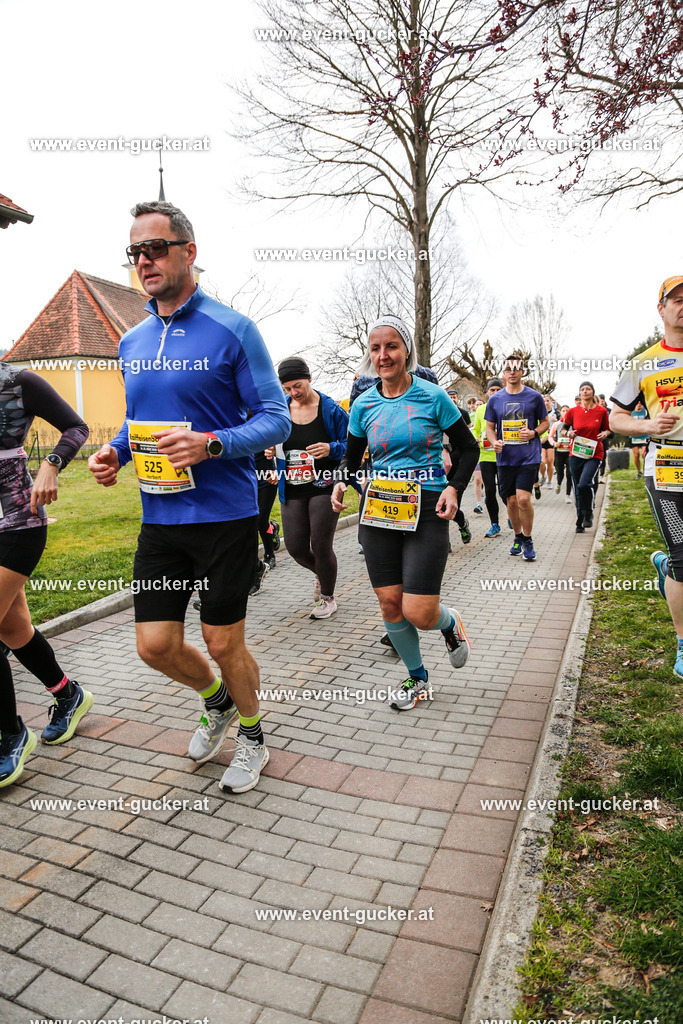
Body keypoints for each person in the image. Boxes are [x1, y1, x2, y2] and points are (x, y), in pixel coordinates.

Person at [89, 200, 290, 795]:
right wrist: (115, 454)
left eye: (154, 248)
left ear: (188, 252)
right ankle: (218, 701)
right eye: (134, 252)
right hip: (161, 515)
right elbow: (137, 420)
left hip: (226, 514)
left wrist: (213, 444)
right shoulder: (131, 340)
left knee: (224, 640)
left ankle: (253, 736)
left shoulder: (233, 329)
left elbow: (275, 420)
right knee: (155, 645)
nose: (143, 261)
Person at [331, 315, 479, 710]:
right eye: (375, 348)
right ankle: (417, 678)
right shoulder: (362, 404)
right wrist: (342, 481)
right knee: (390, 603)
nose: (383, 355)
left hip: (428, 506)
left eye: (391, 346)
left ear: (407, 351)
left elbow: (469, 449)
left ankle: (449, 624)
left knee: (419, 610)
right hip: (379, 508)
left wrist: (454, 488)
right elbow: (351, 456)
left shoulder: (432, 397)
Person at [0, 366, 90, 788]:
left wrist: (51, 465)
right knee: (14, 628)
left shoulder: (21, 383)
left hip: (18, 524)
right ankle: (68, 694)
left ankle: (11, 736)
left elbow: (77, 426)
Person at [610, 275, 683, 678]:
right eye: (676, 299)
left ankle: (665, 567)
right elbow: (616, 416)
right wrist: (648, 425)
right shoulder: (645, 364)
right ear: (662, 309)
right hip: (669, 465)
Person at [273, 357, 349, 619]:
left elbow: (353, 444)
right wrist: (271, 453)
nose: (294, 393)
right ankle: (323, 572)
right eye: (287, 389)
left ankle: (327, 598)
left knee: (320, 543)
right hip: (292, 486)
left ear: (309, 378)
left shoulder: (331, 410)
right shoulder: (280, 410)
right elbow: (273, 442)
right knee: (294, 547)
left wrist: (331, 448)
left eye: (297, 385)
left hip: (324, 483)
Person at [485, 355, 548, 561]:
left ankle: (528, 540)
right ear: (504, 373)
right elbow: (490, 428)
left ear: (522, 372)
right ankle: (518, 536)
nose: (512, 371)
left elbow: (545, 422)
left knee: (523, 499)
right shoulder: (495, 399)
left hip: (528, 456)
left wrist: (533, 433)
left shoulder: (534, 397)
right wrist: (494, 442)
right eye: (508, 369)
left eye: (516, 368)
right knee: (511, 502)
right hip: (505, 458)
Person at [564, 382, 610, 532]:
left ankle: (588, 513)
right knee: (577, 489)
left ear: (592, 392)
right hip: (576, 453)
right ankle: (580, 521)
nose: (585, 391)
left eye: (588, 389)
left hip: (594, 454)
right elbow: (563, 429)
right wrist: (568, 433)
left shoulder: (601, 411)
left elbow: (608, 429)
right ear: (580, 393)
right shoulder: (572, 411)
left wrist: (605, 433)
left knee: (584, 484)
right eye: (582, 389)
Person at [471, 378, 503, 536]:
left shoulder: (507, 408)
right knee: (490, 491)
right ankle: (495, 524)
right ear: (487, 392)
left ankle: (512, 515)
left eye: (498, 390)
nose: (495, 393)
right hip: (486, 455)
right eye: (492, 390)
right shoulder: (481, 409)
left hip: (504, 456)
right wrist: (476, 438)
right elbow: (476, 429)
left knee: (505, 492)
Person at [549, 405, 573, 503]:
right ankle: (558, 483)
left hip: (570, 452)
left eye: (567, 410)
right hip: (559, 452)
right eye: (563, 410)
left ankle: (568, 495)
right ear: (561, 412)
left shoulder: (573, 424)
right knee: (560, 473)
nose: (565, 412)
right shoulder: (556, 424)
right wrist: (554, 443)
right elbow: (550, 437)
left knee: (569, 474)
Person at [537, 395, 557, 492]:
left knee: (550, 461)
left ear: (551, 401)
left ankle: (549, 481)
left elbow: (562, 423)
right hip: (542, 438)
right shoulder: (539, 412)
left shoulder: (555, 412)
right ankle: (543, 476)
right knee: (541, 461)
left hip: (551, 439)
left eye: (547, 401)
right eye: (544, 401)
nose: (545, 402)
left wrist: (555, 420)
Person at [629, 401, 648, 479]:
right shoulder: (631, 412)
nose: (639, 404)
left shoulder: (646, 411)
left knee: (644, 454)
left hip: (645, 436)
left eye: (640, 403)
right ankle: (639, 472)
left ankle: (645, 471)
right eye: (638, 403)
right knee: (636, 454)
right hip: (634, 437)